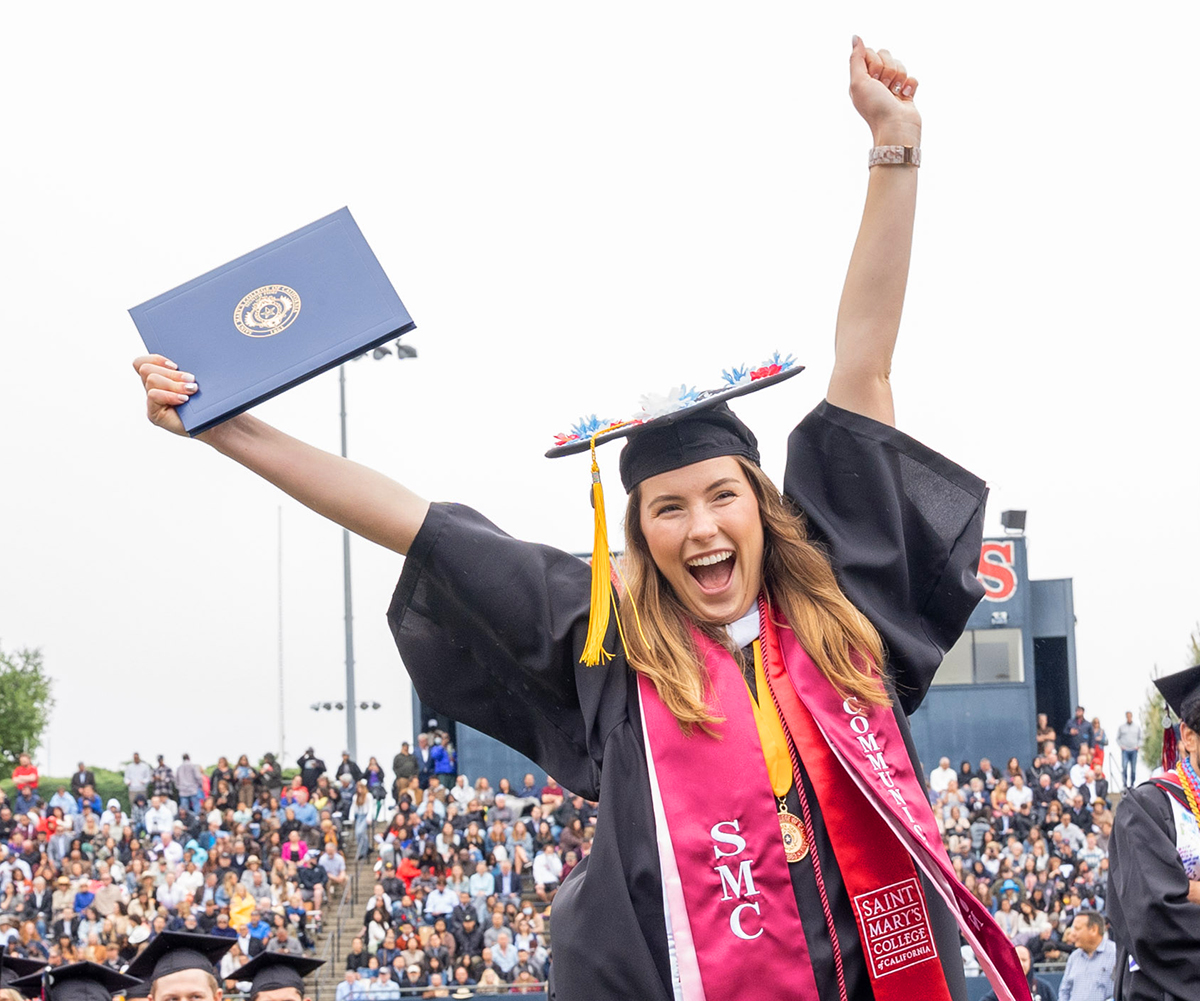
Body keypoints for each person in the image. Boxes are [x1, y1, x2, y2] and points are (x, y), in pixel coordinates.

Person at [132, 38, 1024, 1001]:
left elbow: (865, 360)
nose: (702, 527)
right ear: (640, 532)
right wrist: (228, 428)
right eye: (668, 509)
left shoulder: (843, 596)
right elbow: (412, 520)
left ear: (763, 507)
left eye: (723, 495)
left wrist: (896, 147)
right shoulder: (606, 636)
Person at [1108, 664, 1200, 1001]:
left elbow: (1179, 893)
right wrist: (1180, 892)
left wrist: (1191, 888)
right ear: (1188, 736)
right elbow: (1154, 912)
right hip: (1164, 991)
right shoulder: (1147, 807)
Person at [1057, 911, 1115, 1001]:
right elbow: (1064, 991)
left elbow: (1122, 992)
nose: (1072, 934)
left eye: (1077, 929)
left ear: (1093, 930)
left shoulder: (1115, 954)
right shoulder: (1074, 957)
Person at [1115, 711, 1142, 791]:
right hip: (1125, 750)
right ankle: (1125, 784)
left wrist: (1138, 746)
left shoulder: (1136, 727)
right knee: (1124, 767)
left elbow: (1140, 738)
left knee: (1133, 768)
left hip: (1134, 750)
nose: (1129, 718)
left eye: (1130, 716)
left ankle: (1132, 783)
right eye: (1127, 716)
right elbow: (1117, 738)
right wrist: (1121, 746)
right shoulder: (1121, 727)